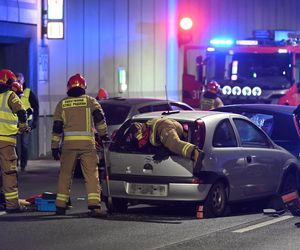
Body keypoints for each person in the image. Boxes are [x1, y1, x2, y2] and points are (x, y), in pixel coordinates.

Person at [51, 73, 109, 217]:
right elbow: (99, 119)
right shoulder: (90, 101)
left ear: (68, 87)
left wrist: (54, 146)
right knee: (91, 174)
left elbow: (57, 127)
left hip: (68, 145)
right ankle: (94, 206)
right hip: (87, 145)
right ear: (84, 86)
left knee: (65, 174)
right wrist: (104, 136)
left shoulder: (62, 104)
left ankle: (60, 206)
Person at [0, 69, 29, 213]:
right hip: (6, 141)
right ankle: (12, 205)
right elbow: (22, 112)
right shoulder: (10, 95)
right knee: (9, 173)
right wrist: (23, 127)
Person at [127, 117, 204, 162]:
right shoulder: (142, 130)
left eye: (141, 142)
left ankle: (195, 152)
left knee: (173, 144)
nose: (141, 144)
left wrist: (193, 153)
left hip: (165, 126)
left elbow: (175, 144)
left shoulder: (163, 128)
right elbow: (135, 126)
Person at [15, 72, 39, 172]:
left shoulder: (28, 92)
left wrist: (35, 122)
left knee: (24, 144)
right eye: (16, 80)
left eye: (19, 80)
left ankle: (23, 165)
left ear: (23, 80)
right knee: (14, 144)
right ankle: (15, 163)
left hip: (26, 122)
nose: (18, 82)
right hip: (14, 122)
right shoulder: (12, 92)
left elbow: (36, 107)